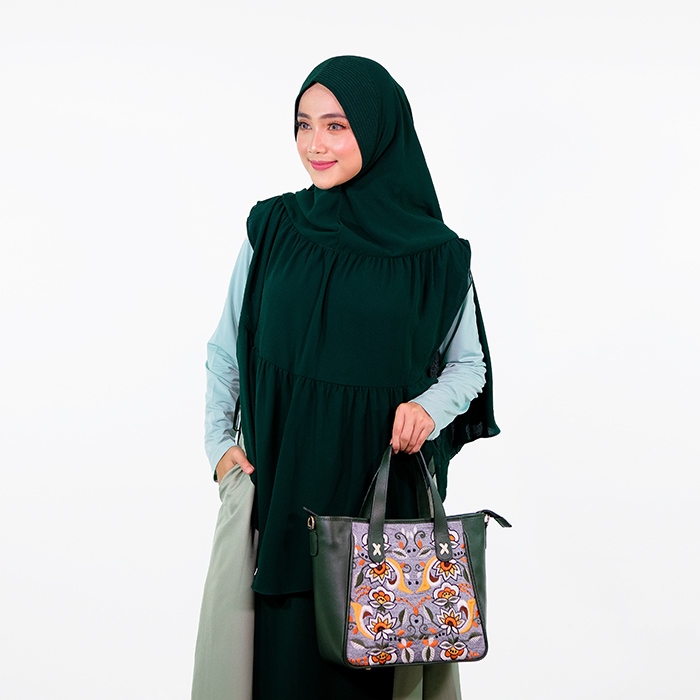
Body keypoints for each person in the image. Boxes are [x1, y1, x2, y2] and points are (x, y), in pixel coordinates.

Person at [192, 56, 499, 700]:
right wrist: (220, 446)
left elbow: (468, 365)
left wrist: (429, 408)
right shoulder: (272, 228)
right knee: (276, 672)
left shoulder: (436, 256)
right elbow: (226, 348)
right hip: (281, 498)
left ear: (380, 130)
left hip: (380, 518)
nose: (315, 144)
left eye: (336, 125)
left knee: (374, 678)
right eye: (304, 124)